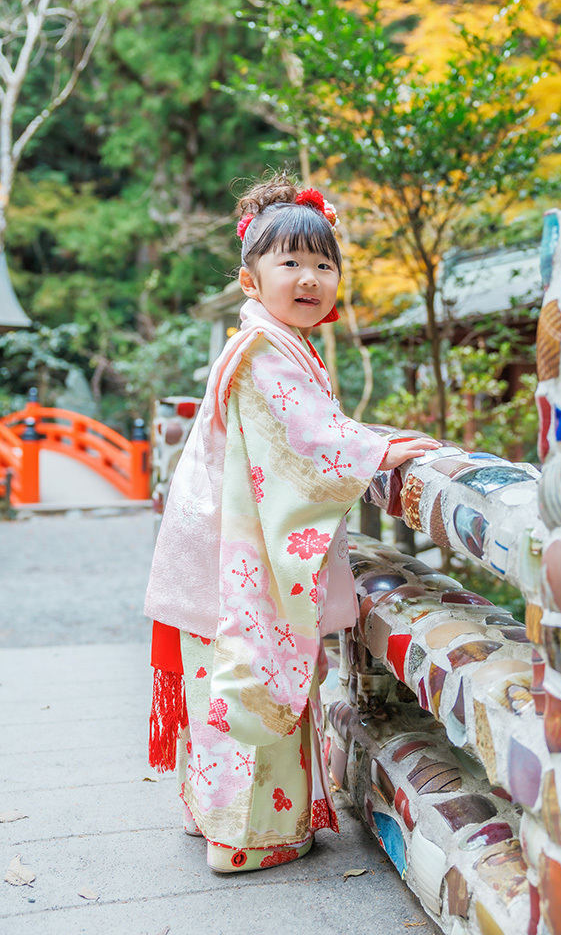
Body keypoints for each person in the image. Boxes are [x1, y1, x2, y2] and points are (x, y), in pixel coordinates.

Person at [144, 171, 439, 874]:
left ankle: (211, 816)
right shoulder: (262, 352)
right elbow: (309, 441)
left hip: (216, 552)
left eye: (323, 264)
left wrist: (365, 439)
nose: (309, 277)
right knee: (251, 681)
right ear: (251, 280)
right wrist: (383, 448)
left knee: (226, 685)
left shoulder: (268, 343)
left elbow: (309, 435)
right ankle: (243, 840)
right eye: (290, 263)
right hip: (234, 562)